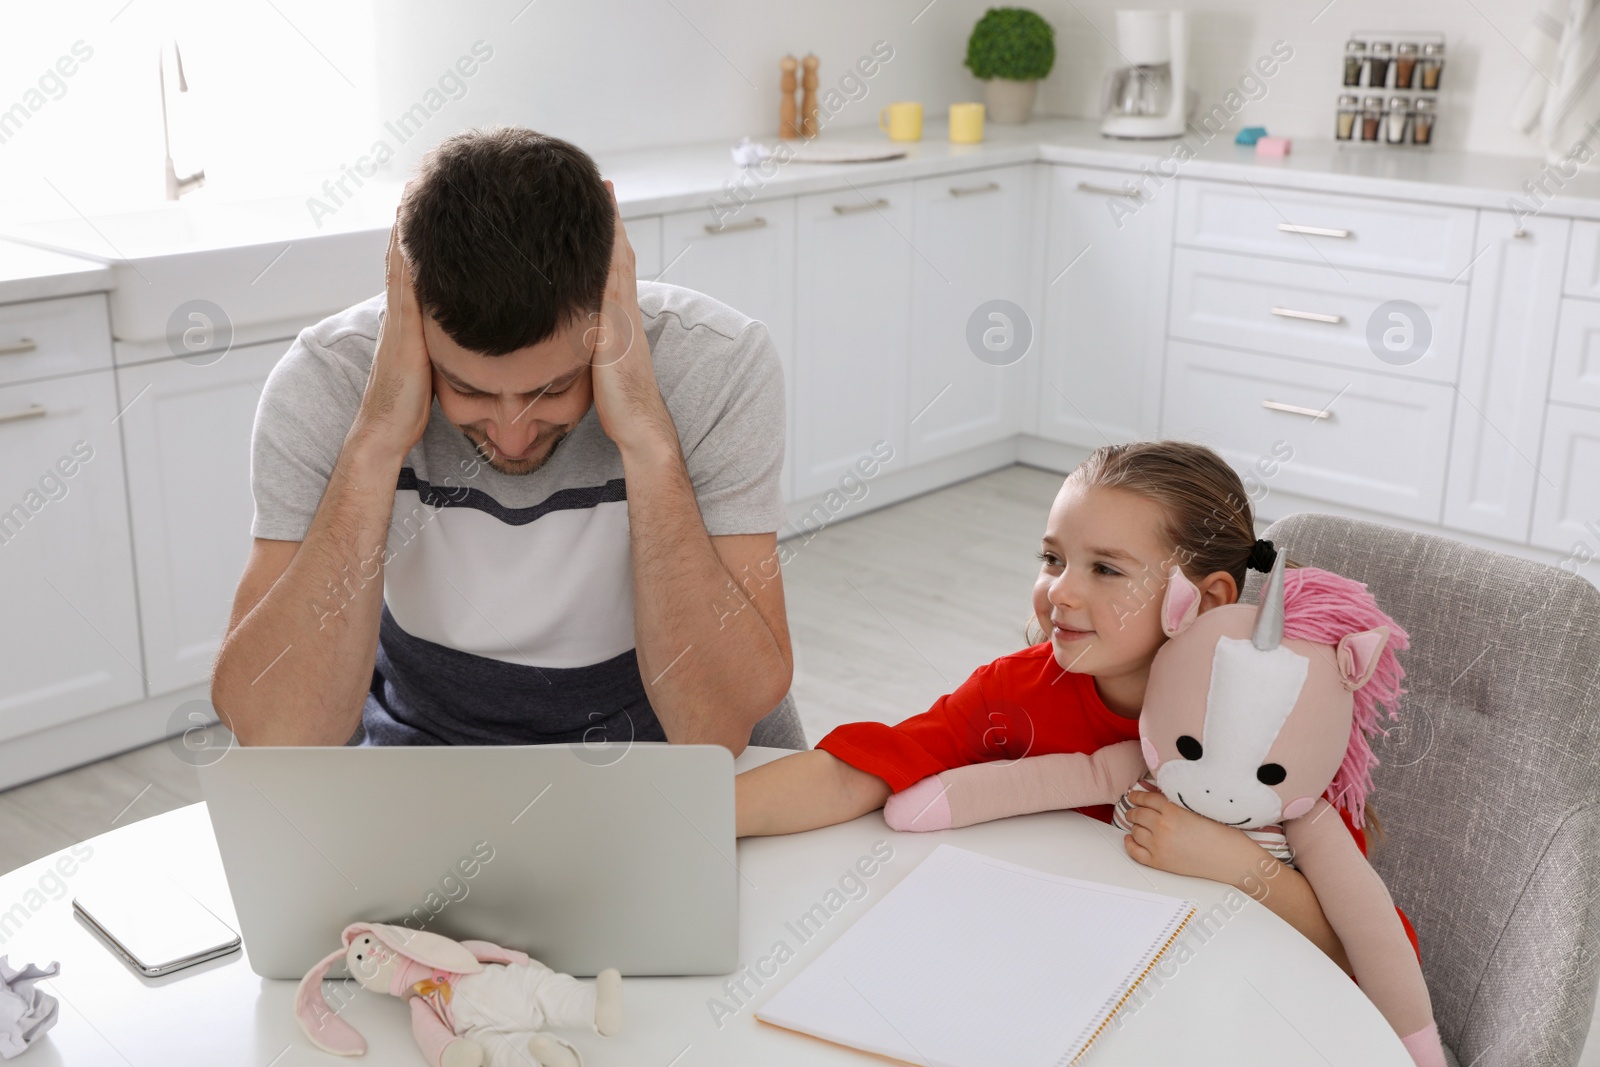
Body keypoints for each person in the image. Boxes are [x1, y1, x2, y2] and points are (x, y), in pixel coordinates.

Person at [212, 127, 800, 753]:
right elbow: (275, 734)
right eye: (468, 389)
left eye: (555, 387)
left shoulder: (718, 363)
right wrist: (378, 438)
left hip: (660, 757)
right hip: (424, 757)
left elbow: (717, 726)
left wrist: (649, 441)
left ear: (609, 292)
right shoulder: (329, 379)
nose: (513, 436)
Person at [737, 440, 1393, 975]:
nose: (1060, 592)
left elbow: (1363, 954)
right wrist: (697, 817)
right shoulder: (1014, 691)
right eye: (1053, 558)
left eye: (1105, 569)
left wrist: (1237, 863)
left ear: (1209, 600)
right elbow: (868, 766)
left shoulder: (1290, 726)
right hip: (1048, 969)